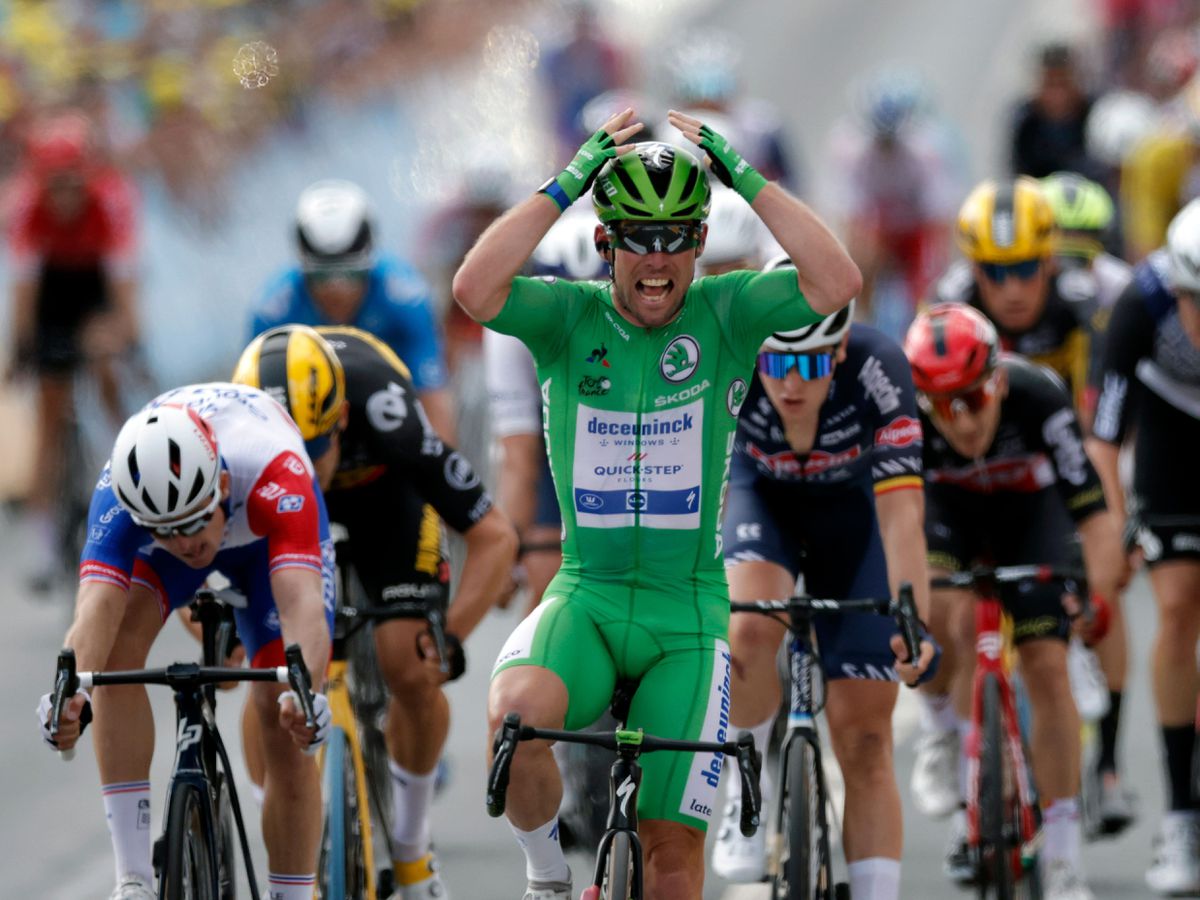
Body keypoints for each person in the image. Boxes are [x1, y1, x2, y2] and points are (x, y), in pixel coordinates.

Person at [453, 106, 860, 900]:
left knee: (672, 854)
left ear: (700, 245)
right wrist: (569, 181)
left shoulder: (731, 311)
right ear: (606, 243)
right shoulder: (566, 319)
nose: (659, 256)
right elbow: (474, 287)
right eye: (639, 235)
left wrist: (742, 177)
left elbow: (836, 281)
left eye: (678, 237)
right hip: (589, 596)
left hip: (688, 614)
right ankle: (545, 878)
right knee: (514, 719)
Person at [233, 324, 517, 899]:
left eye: (313, 451)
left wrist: (451, 637)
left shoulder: (390, 419)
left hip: (386, 505)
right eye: (288, 453)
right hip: (273, 511)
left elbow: (496, 539)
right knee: (265, 670)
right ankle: (286, 823)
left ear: (339, 420)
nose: (304, 472)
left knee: (409, 663)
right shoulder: (235, 436)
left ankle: (412, 852)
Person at [37, 385, 335, 900]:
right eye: (166, 529)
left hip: (265, 542)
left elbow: (303, 604)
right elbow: (95, 610)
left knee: (279, 712)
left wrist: (303, 694)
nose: (187, 542)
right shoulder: (121, 491)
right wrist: (70, 695)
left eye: (195, 521)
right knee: (112, 656)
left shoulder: (274, 470)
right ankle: (132, 879)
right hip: (171, 558)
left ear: (220, 484)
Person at [711, 255, 936, 899]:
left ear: (838, 351)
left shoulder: (879, 367)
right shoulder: (733, 352)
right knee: (750, 628)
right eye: (777, 362)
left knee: (866, 738)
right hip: (765, 505)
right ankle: (744, 789)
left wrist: (911, 619)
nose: (789, 383)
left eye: (809, 363)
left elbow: (902, 515)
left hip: (854, 520)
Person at [905, 304, 1128, 900]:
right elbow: (893, 525)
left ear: (997, 381)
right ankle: (940, 730)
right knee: (935, 610)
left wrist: (1098, 603)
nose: (961, 421)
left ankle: (1061, 854)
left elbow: (1096, 515)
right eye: (941, 405)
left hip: (1031, 520)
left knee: (1046, 666)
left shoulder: (1039, 396)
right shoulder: (905, 413)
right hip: (950, 520)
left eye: (972, 400)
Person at [1089, 198, 1200, 895]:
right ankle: (1182, 818)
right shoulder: (1142, 302)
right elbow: (1104, 436)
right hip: (1170, 442)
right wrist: (1119, 524)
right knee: (1180, 606)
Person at [5, 110, 141, 589]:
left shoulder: (112, 199)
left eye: (73, 184)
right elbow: (23, 289)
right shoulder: (24, 205)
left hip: (93, 287)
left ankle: (130, 481)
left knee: (106, 369)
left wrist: (129, 338)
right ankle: (43, 546)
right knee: (48, 415)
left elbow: (124, 285)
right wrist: (21, 348)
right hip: (51, 294)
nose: (64, 196)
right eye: (54, 185)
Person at [249, 179, 455, 441]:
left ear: (370, 264)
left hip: (387, 412)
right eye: (322, 277)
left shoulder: (405, 297)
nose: (337, 290)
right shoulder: (272, 312)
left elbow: (433, 400)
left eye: (350, 274)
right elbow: (256, 415)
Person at [484, 207, 606, 618]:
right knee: (547, 584)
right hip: (560, 449)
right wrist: (506, 551)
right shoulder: (512, 332)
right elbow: (521, 459)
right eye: (566, 307)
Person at [826, 68, 960, 334]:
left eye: (892, 141)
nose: (886, 148)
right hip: (881, 228)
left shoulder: (926, 151)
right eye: (880, 140)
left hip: (916, 226)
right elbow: (851, 219)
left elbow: (939, 220)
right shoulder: (851, 150)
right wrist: (857, 273)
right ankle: (862, 322)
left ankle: (924, 328)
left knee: (928, 287)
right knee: (858, 264)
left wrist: (936, 271)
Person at [1010, 41, 1098, 179]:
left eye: (1063, 83)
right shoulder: (1026, 124)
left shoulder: (1095, 116)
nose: (1057, 94)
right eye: (1050, 84)